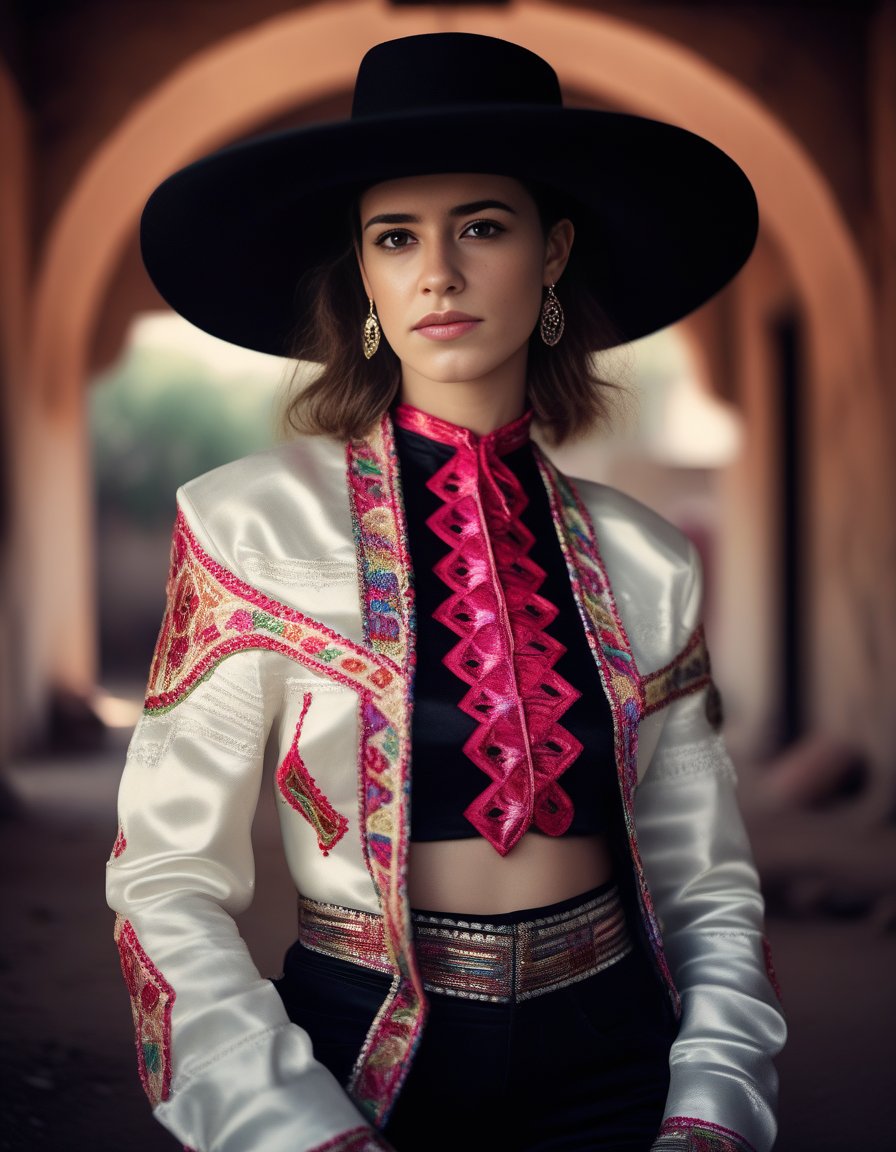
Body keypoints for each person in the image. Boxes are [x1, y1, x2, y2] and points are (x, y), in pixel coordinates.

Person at [107, 32, 785, 1152]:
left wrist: (711, 1100)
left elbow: (705, 882)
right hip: (363, 1052)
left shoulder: (646, 557)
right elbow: (168, 877)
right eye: (395, 237)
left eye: (481, 226)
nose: (438, 272)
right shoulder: (250, 527)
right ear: (364, 273)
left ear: (552, 250)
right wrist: (286, 1122)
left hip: (616, 1053)